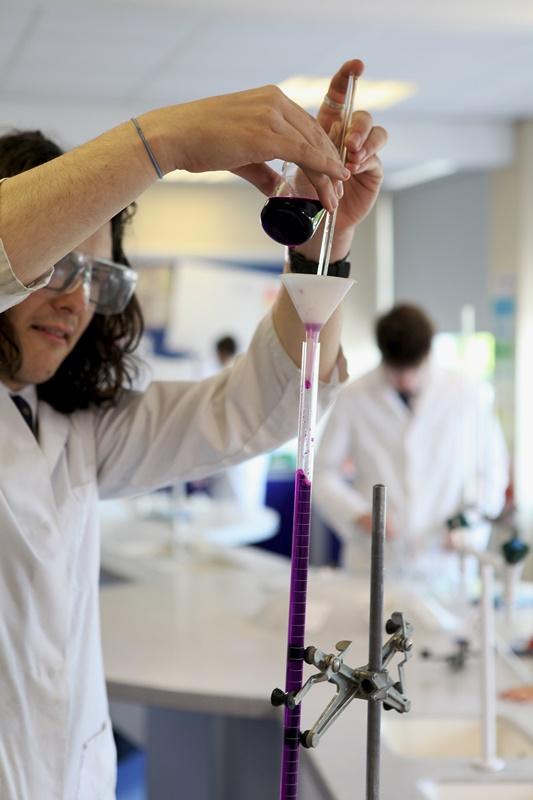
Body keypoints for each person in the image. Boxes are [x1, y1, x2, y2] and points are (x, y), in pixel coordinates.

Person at [0, 60, 387, 799]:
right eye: (52, 267)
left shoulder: (72, 430)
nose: (76, 302)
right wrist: (162, 143)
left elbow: (258, 411)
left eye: (96, 279)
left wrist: (320, 250)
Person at [314, 303, 509, 576]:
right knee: (370, 617)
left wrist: (469, 523)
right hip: (376, 559)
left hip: (444, 562)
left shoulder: (467, 394)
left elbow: (492, 471)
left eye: (413, 368)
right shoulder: (354, 396)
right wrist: (359, 514)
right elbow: (322, 473)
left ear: (428, 352)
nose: (405, 380)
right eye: (396, 370)